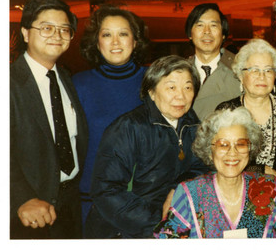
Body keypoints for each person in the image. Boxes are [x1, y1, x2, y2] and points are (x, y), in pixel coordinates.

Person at [85, 55, 209, 238]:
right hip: (125, 231)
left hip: (172, 226)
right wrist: (160, 224)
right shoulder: (129, 127)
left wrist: (178, 188)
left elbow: (201, 167)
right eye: (171, 87)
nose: (181, 96)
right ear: (151, 91)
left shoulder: (192, 125)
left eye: (188, 87)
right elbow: (106, 191)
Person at [153, 107, 276, 238]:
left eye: (240, 144)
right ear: (210, 150)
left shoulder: (270, 187)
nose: (232, 153)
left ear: (250, 148)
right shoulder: (189, 193)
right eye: (223, 145)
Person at [10, 0, 89, 239]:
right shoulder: (9, 83)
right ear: (25, 33)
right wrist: (21, 197)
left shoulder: (66, 78)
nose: (57, 35)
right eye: (46, 28)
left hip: (69, 203)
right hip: (27, 211)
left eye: (64, 29)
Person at [72, 5, 150, 227]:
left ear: (135, 41)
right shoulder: (79, 84)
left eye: (123, 34)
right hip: (92, 199)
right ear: (97, 43)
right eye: (107, 34)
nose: (115, 42)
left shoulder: (155, 81)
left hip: (143, 199)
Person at [216, 38, 276, 189]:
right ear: (241, 75)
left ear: (275, 76)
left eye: (268, 70)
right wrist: (262, 170)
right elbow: (218, 157)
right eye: (254, 70)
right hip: (235, 190)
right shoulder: (227, 110)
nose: (262, 76)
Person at [184, 3, 241, 120]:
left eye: (213, 25)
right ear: (190, 34)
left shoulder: (241, 70)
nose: (207, 31)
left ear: (223, 34)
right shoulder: (178, 71)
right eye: (200, 25)